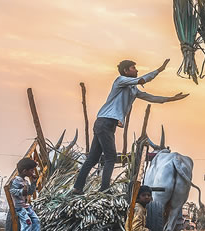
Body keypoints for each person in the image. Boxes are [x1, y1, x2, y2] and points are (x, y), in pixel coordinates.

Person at [72, 59, 188, 194]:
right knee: (110, 157)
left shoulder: (133, 89)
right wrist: (159, 70)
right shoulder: (120, 80)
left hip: (105, 123)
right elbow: (142, 80)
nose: (136, 70)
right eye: (133, 68)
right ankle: (104, 189)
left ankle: (77, 188)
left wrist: (170, 99)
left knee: (92, 158)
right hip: (106, 122)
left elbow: (150, 97)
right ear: (126, 71)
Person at [10, 158, 41, 231]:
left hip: (26, 206)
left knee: (36, 220)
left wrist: (34, 183)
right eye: (31, 170)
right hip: (19, 207)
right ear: (24, 171)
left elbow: (30, 192)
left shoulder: (26, 181)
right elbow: (12, 190)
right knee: (27, 222)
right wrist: (21, 191)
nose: (33, 172)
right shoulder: (16, 181)